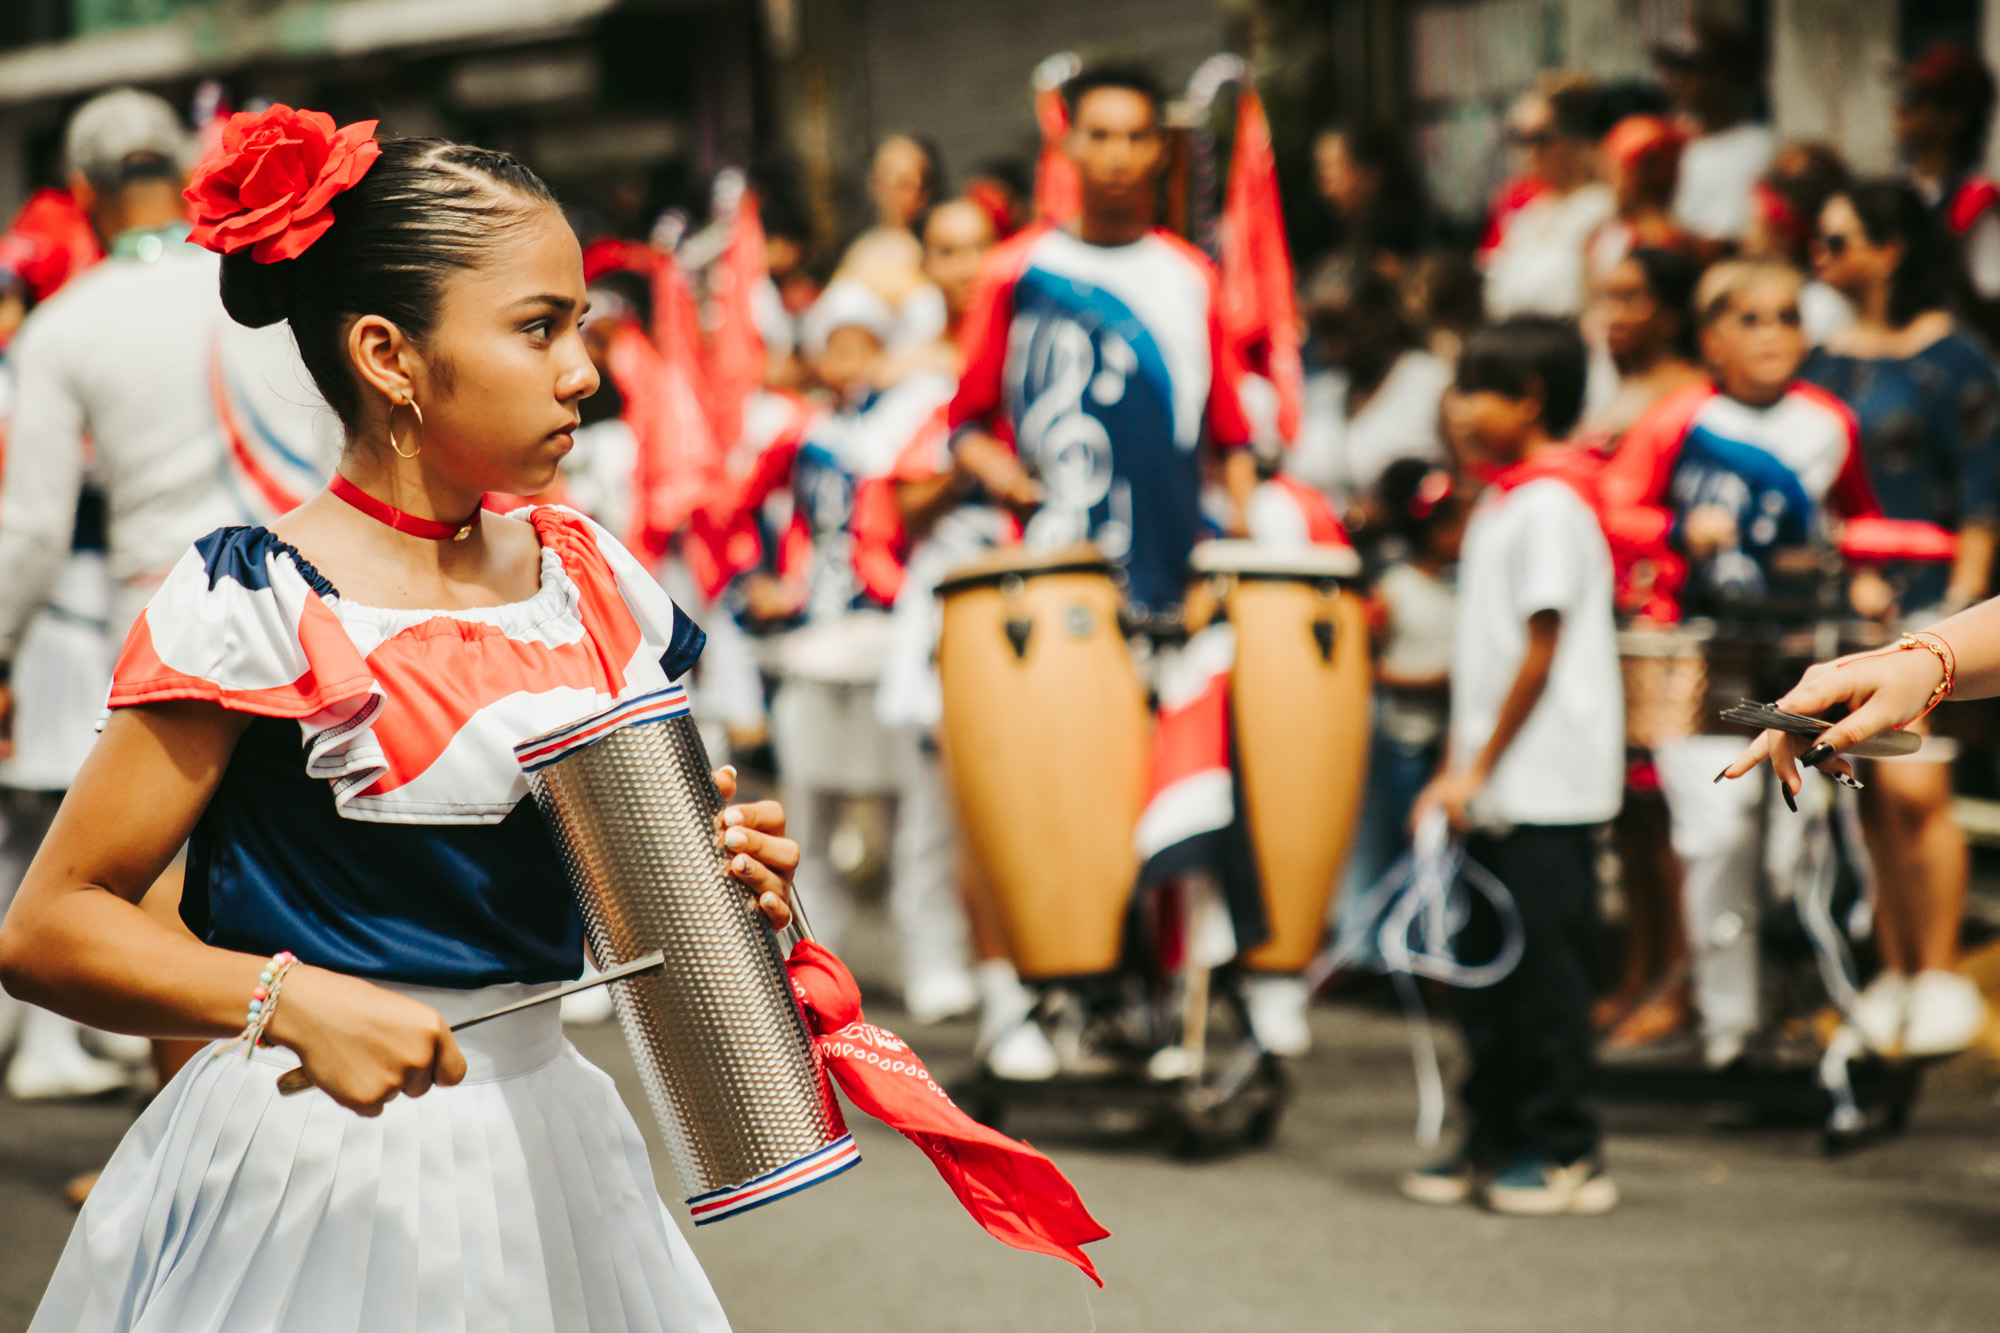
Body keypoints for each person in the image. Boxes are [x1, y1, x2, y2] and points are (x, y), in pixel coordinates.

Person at [0, 107, 808, 1329]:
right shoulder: (253, 603)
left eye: (578, 324)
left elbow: (647, 889)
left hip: (553, 1149)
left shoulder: (589, 575)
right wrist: (289, 1000)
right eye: (539, 329)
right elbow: (49, 926)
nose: (583, 370)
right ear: (387, 354)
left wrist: (732, 875)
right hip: (316, 1169)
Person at [0, 89, 338, 1111]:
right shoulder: (266, 292)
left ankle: (196, 1155)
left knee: (162, 906)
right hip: (314, 610)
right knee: (319, 877)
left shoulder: (64, 326)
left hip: (166, 634)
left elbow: (33, 529)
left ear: (85, 193)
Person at [1597, 260, 1881, 1065]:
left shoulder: (1829, 421)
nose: (1772, 335)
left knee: (1805, 836)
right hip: (1709, 662)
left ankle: (1812, 1016)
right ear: (1712, 334)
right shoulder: (1680, 418)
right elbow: (1616, 508)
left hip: (1803, 659)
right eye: (1749, 318)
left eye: (1788, 316)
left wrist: (1860, 577)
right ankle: (1727, 1022)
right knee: (1718, 826)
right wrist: (1678, 534)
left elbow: (1861, 521)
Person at [1404, 315, 1622, 1216]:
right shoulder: (1501, 503)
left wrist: (1478, 765)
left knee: (1546, 979)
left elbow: (1539, 652)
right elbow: (1489, 662)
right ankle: (1493, 1136)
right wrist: (1457, 771)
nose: (1456, 410)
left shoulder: (1550, 507)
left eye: (1475, 391)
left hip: (1548, 787)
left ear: (1529, 402)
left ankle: (1566, 1149)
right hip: (1494, 786)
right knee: (1486, 976)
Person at [1799, 181, 1996, 1057]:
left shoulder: (1955, 361)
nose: (1821, 257)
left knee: (1919, 784)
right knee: (1863, 784)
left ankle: (1939, 969)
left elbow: (1986, 495)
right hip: (1845, 597)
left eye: (1837, 241)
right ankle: (1894, 970)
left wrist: (1957, 609)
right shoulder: (1823, 360)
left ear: (1891, 249)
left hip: (1931, 593)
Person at [949, 62, 1253, 613]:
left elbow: (1232, 438)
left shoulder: (1192, 277)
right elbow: (964, 422)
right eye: (1100, 135)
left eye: (1136, 137)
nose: (1118, 155)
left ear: (1161, 148)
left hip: (1176, 578)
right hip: (1050, 576)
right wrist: (1005, 476)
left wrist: (1241, 550)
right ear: (1068, 142)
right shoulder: (1014, 271)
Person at [1333, 459, 1464, 945]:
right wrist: (1423, 682)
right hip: (1397, 735)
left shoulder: (1460, 589)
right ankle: (1378, 945)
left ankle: (1423, 942)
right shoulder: (1395, 588)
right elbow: (1365, 662)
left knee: (1429, 847)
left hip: (1439, 736)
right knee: (1389, 843)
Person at [1293, 268, 1452, 521]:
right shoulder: (1322, 391)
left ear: (1383, 319)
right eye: (1323, 334)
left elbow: (1463, 487)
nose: (1334, 349)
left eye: (1346, 331)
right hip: (1321, 550)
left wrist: (1391, 514)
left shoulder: (1434, 384)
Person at [1482, 85, 1614, 320]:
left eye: (1539, 138)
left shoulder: (1605, 206)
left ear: (1580, 140)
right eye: (1516, 137)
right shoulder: (1524, 209)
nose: (1527, 150)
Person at [1895, 44, 2000, 310]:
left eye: (1914, 97)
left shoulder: (1976, 200)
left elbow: (1989, 300)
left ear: (1957, 116)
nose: (1900, 108)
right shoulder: (1900, 188)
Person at [1654, 23, 1774, 247]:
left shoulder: (1753, 146)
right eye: (1672, 70)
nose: (1676, 81)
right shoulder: (1677, 140)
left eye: (1691, 70)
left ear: (1725, 76)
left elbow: (1726, 240)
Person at [1582, 246, 1704, 441]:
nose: (1613, 317)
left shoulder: (1694, 393)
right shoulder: (1624, 385)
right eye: (1608, 298)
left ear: (1671, 315)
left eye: (1629, 299)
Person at [1741, 141, 1854, 345]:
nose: (1744, 235)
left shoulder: (1817, 308)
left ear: (1783, 235)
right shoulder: (1751, 296)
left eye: (1753, 225)